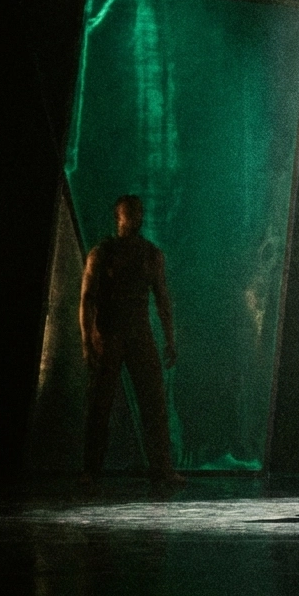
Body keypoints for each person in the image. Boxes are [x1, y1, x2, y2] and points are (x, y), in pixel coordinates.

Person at [79, 195, 184, 484]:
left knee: (154, 402)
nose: (135, 217)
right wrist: (87, 339)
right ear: (118, 217)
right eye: (129, 213)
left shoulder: (151, 254)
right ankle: (91, 470)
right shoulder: (103, 252)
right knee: (100, 404)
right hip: (109, 332)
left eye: (138, 212)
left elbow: (163, 299)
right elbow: (87, 298)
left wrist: (170, 338)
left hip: (139, 334)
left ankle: (162, 468)